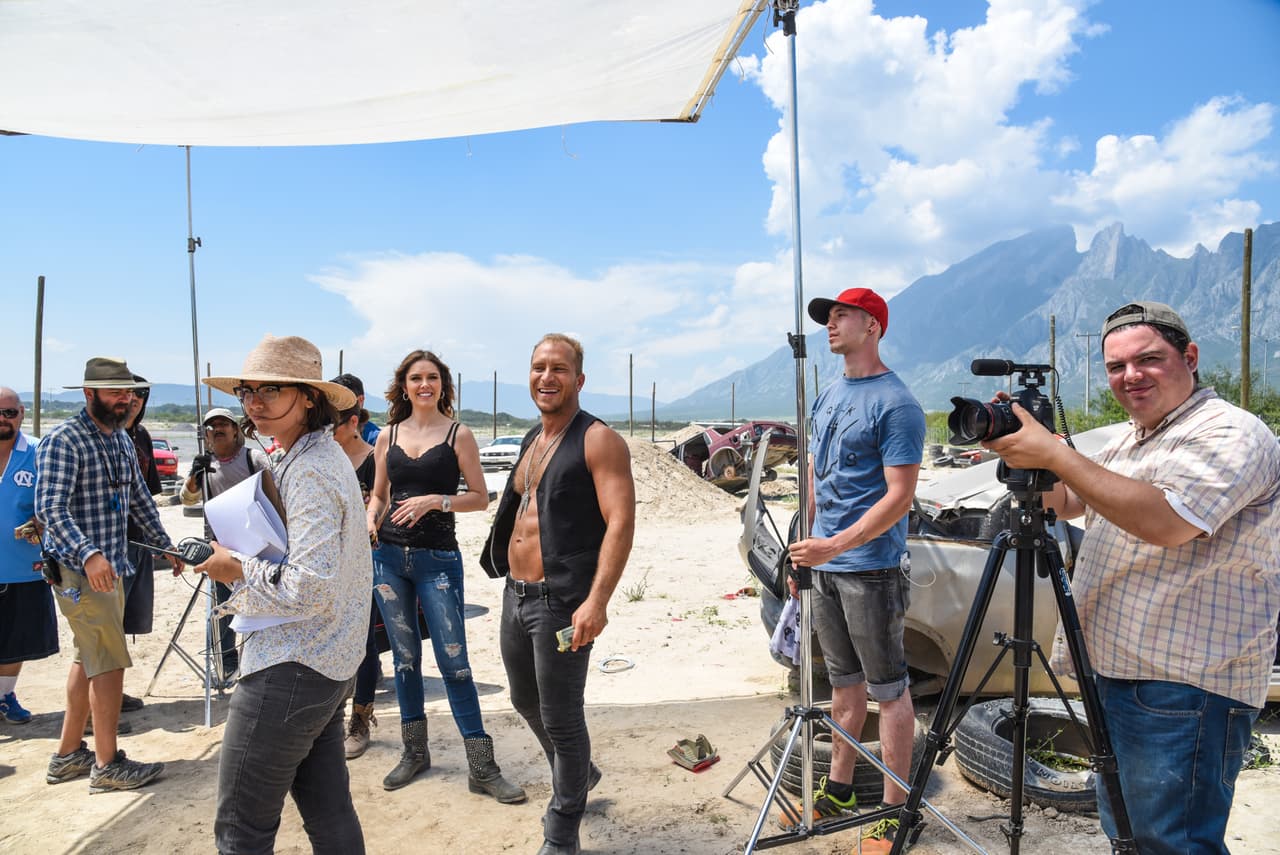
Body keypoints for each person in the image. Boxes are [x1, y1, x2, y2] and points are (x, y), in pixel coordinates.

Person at [983, 301, 1280, 855]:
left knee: (1173, 841)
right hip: (1121, 668)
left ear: (1189, 357)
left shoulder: (1231, 432)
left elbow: (1165, 521)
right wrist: (1020, 451)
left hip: (1184, 682)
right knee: (1130, 834)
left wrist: (1055, 452)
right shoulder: (1133, 436)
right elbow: (1069, 500)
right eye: (1116, 367)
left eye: (1148, 360)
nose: (1130, 377)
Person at [196, 334, 371, 853]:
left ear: (309, 397)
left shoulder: (312, 467)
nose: (254, 402)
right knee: (327, 810)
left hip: (292, 663)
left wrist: (235, 566)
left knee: (241, 831)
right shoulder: (310, 454)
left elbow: (309, 587)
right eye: (248, 391)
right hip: (323, 661)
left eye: (270, 390)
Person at [481, 333, 636, 855]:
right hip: (516, 595)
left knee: (563, 719)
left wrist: (597, 602)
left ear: (579, 379)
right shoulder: (531, 439)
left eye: (559, 369)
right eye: (538, 367)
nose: (546, 377)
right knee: (525, 700)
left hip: (562, 602)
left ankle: (561, 829)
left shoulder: (597, 439)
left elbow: (620, 522)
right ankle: (580, 775)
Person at [786, 288, 924, 854]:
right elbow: (818, 477)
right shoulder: (828, 394)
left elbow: (900, 496)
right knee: (844, 687)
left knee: (889, 692)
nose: (829, 325)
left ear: (873, 327)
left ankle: (898, 810)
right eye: (828, 318)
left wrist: (835, 545)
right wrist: (803, 543)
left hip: (870, 568)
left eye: (841, 316)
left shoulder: (898, 404)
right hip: (825, 566)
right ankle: (840, 789)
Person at [364, 350, 524, 802]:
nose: (424, 385)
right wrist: (370, 519)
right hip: (389, 561)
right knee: (405, 661)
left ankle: (482, 767)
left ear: (443, 385)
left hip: (437, 561)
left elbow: (480, 497)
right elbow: (378, 496)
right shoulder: (388, 435)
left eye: (432, 377)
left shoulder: (459, 434)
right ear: (405, 385)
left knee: (455, 665)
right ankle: (415, 753)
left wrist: (437, 500)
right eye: (416, 378)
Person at [37, 358, 181, 793]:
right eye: (117, 392)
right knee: (109, 664)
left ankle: (67, 756)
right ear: (89, 395)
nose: (127, 400)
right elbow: (50, 510)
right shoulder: (64, 441)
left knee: (90, 658)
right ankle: (106, 764)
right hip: (81, 573)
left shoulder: (119, 439)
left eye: (131, 393)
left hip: (113, 568)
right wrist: (90, 554)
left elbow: (140, 500)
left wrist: (165, 545)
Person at [179, 407, 270, 684]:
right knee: (222, 609)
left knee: (262, 606)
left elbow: (273, 494)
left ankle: (262, 662)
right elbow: (186, 499)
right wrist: (195, 475)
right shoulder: (204, 465)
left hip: (256, 547)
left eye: (222, 425)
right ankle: (226, 665)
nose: (216, 430)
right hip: (219, 548)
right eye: (211, 427)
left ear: (235, 430)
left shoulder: (253, 458)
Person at [0, 387, 58, 724]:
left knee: (17, 640)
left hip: (25, 567)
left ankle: (5, 695)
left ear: (22, 413)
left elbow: (56, 500)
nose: (4, 420)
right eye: (0, 413)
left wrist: (41, 521)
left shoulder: (38, 452)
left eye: (11, 413)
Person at [330, 375, 380, 760]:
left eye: (335, 422)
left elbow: (383, 507)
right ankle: (328, 720)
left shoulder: (374, 460)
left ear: (355, 422)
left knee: (365, 644)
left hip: (368, 565)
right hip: (329, 566)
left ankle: (360, 719)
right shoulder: (323, 461)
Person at [118, 374, 160, 710]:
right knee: (106, 627)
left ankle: (113, 692)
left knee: (126, 621)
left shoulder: (141, 436)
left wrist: (159, 540)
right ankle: (99, 701)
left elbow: (147, 495)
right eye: (126, 394)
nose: (133, 401)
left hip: (139, 541)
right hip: (109, 546)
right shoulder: (107, 436)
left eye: (139, 396)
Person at [333, 372, 381, 444]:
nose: (338, 405)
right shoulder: (322, 432)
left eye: (344, 400)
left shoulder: (376, 439)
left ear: (360, 400)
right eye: (333, 399)